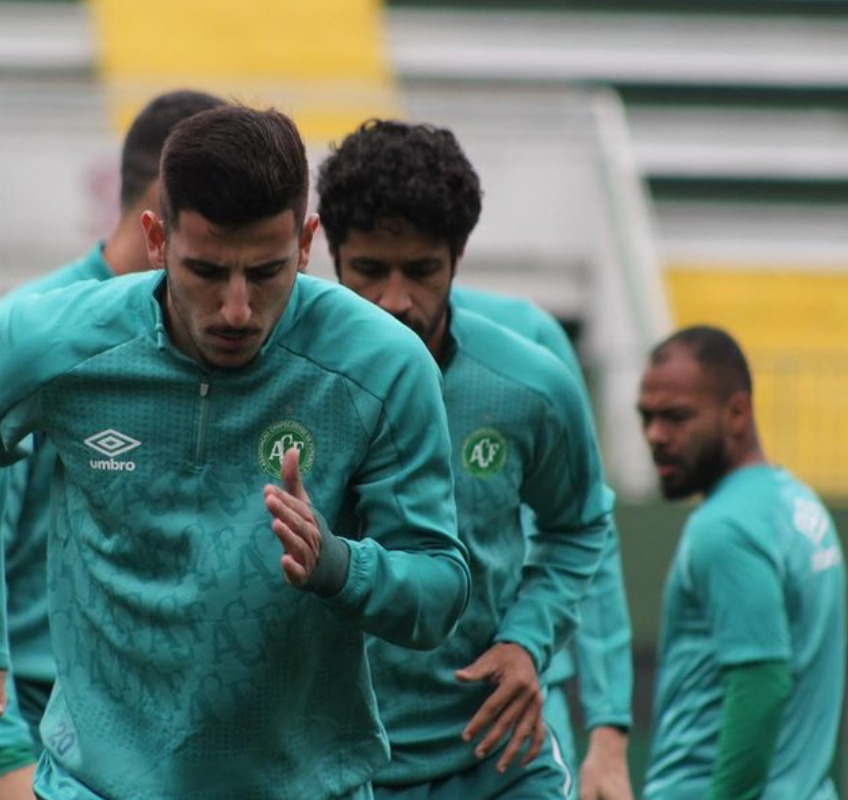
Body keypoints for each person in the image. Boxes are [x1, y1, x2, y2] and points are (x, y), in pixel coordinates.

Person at [0, 105, 473, 800]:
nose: (236, 308)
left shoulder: (384, 367)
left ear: (305, 243)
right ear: (156, 238)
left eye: (265, 272)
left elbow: (440, 591)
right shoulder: (57, 339)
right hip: (95, 785)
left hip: (303, 786)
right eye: (207, 271)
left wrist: (340, 565)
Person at [316, 118, 611, 799]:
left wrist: (526, 642)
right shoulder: (285, 385)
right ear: (330, 254)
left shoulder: (530, 385)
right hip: (339, 768)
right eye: (369, 271)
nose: (396, 300)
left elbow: (580, 527)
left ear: (458, 256)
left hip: (498, 759)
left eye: (421, 271)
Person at [0, 88, 226, 800]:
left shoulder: (223, 343)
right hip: (32, 727)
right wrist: (0, 755)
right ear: (166, 211)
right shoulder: (35, 335)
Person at [637, 325, 845, 800]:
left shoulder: (724, 528)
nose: (655, 435)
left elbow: (762, 683)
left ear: (737, 413)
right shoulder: (798, 504)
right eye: (646, 418)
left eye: (676, 417)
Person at [454, 286, 635, 800]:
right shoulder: (329, 339)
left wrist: (609, 735)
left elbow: (586, 531)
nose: (397, 296)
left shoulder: (526, 335)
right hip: (375, 722)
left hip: (519, 691)